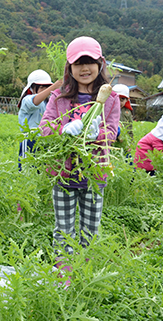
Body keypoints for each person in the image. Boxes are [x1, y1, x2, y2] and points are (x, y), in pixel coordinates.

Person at [39, 36, 119, 258]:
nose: (85, 68)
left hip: (94, 174)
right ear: (70, 67)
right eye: (78, 63)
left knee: (90, 232)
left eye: (90, 62)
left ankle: (83, 274)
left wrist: (96, 135)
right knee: (63, 231)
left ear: (99, 64)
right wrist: (63, 130)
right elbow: (44, 127)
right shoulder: (59, 96)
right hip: (64, 174)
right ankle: (63, 274)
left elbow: (111, 133)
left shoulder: (111, 98)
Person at [17, 69, 62, 166]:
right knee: (27, 169)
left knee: (42, 170)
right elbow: (35, 101)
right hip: (30, 140)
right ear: (32, 88)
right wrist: (53, 87)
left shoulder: (48, 103)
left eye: (48, 87)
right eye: (42, 87)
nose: (47, 90)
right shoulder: (27, 99)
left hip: (45, 141)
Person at [113, 84, 134, 151]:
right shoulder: (108, 110)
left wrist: (130, 142)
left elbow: (130, 128)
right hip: (112, 142)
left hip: (124, 143)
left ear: (127, 100)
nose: (119, 102)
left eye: (122, 100)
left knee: (127, 159)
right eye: (116, 99)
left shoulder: (127, 112)